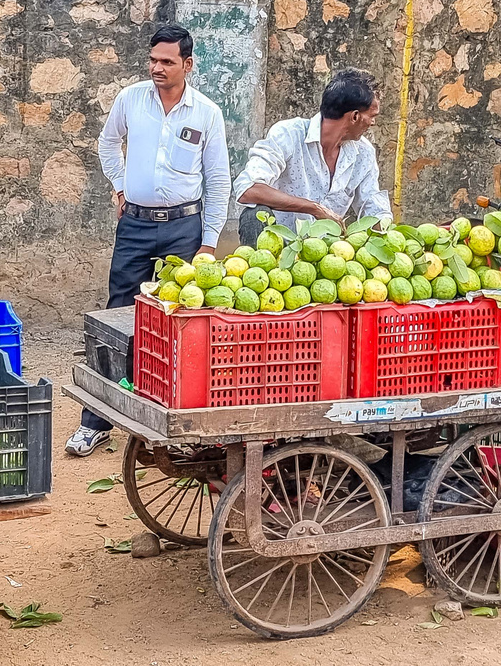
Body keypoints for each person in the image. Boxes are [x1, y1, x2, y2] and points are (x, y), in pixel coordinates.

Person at [65, 23, 231, 456]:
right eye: (153, 60)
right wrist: (120, 186)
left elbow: (218, 180)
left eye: (167, 61)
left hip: (184, 229)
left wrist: (209, 242)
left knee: (179, 321)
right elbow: (107, 144)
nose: (157, 68)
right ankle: (97, 419)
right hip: (135, 226)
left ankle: (174, 423)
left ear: (188, 65)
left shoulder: (206, 113)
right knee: (116, 317)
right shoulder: (130, 99)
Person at [232, 68, 391, 239]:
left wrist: (390, 237)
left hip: (327, 253)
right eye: (372, 116)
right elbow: (248, 189)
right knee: (254, 214)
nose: (373, 123)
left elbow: (373, 207)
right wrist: (313, 208)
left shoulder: (364, 153)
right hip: (277, 245)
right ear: (354, 116)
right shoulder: (289, 134)